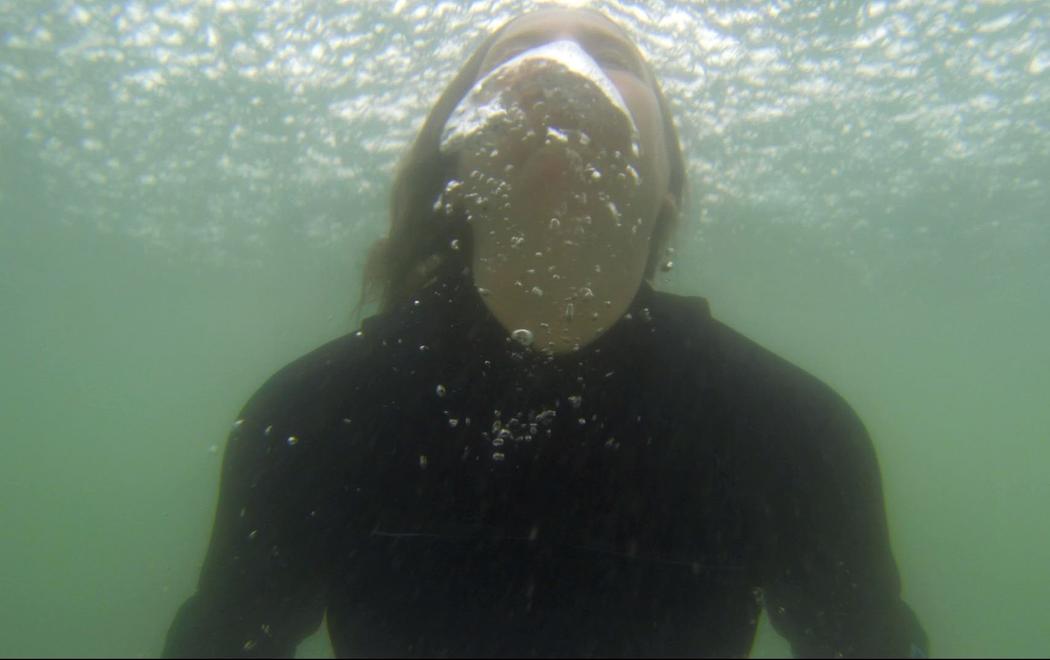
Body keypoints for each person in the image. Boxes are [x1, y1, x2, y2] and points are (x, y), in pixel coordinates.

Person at [164, 7, 928, 658]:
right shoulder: (313, 418)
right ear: (455, 166)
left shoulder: (793, 434)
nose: (562, 69)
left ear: (668, 182)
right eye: (514, 55)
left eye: (612, 55)